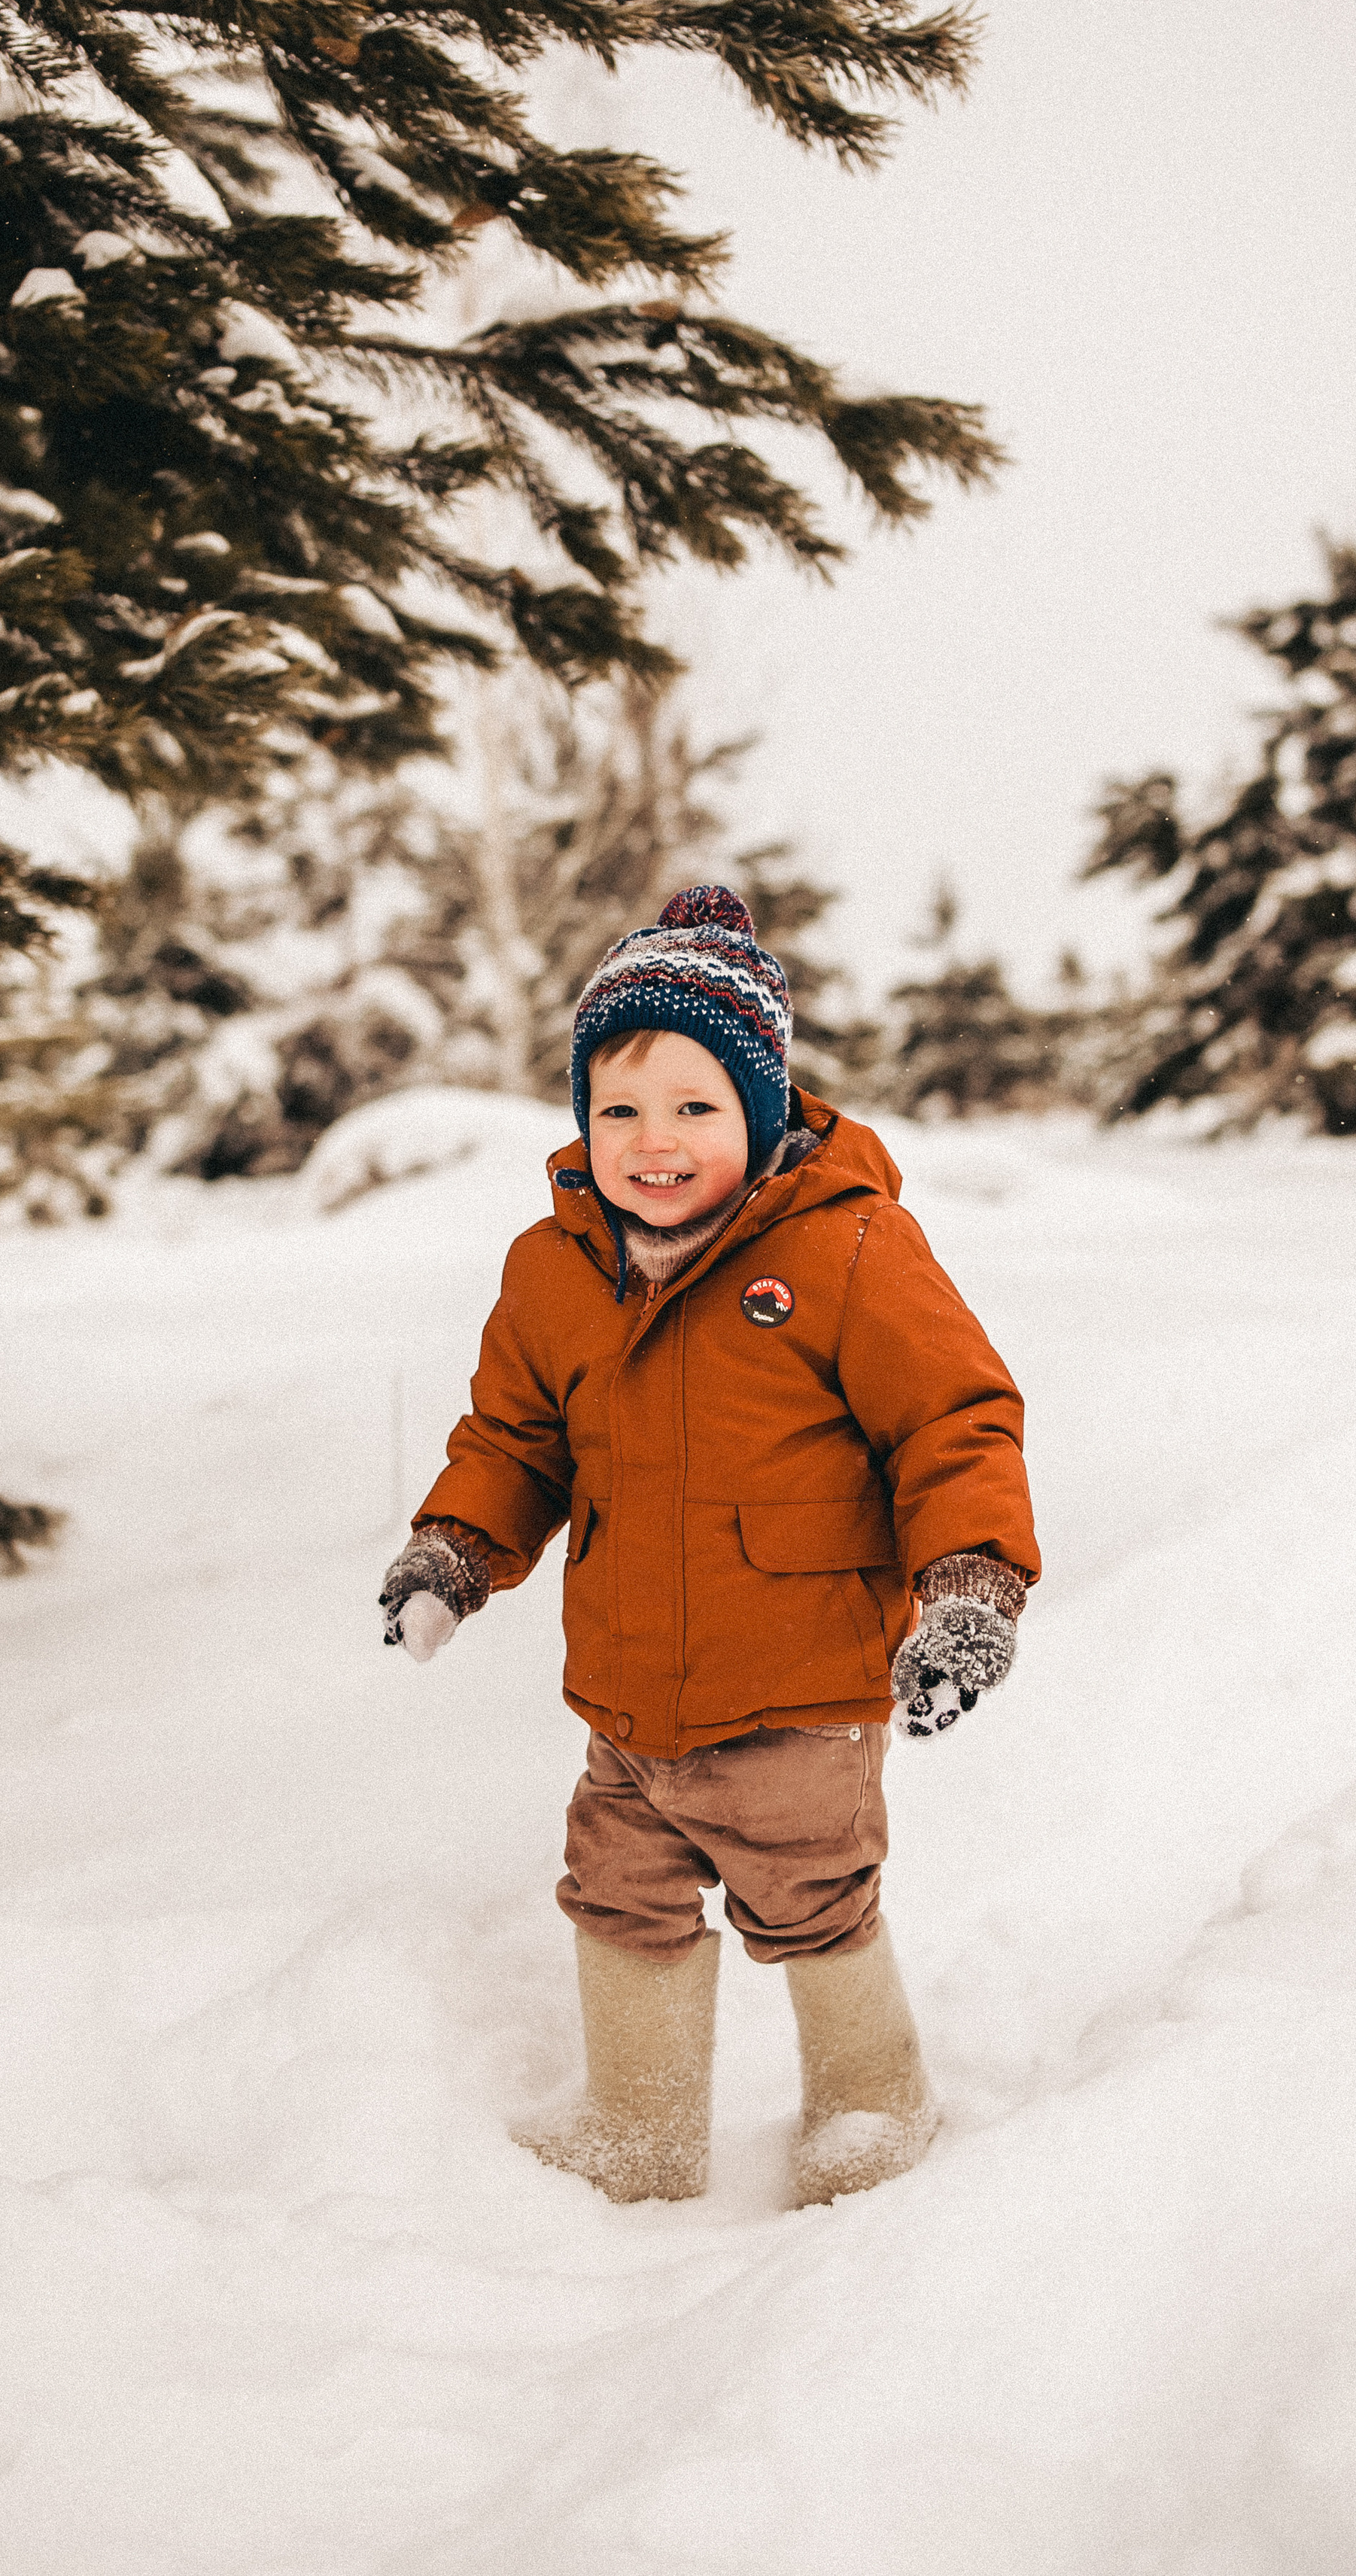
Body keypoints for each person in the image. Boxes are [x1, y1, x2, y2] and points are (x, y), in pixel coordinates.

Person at [378, 884, 1039, 2208]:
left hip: (799, 1690)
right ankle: (640, 2127)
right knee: (616, 1896)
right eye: (618, 1109)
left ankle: (870, 2104)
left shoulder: (848, 1249)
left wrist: (968, 1587)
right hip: (628, 1693)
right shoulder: (554, 1269)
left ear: (764, 1109)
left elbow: (954, 1425)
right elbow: (515, 1441)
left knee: (812, 1900)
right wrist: (456, 1547)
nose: (653, 1142)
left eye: (695, 1107)